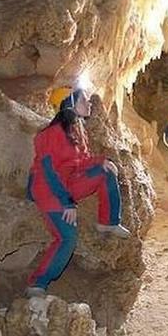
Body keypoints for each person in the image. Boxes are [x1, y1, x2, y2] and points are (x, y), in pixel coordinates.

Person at [25, 86, 130, 298]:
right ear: (70, 104)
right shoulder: (50, 134)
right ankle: (38, 283)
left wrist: (103, 161)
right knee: (67, 238)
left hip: (69, 184)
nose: (89, 104)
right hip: (50, 191)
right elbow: (48, 171)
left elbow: (81, 161)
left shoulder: (77, 129)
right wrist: (67, 202)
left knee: (105, 172)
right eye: (84, 101)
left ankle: (108, 222)